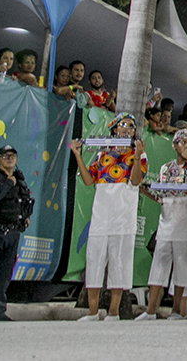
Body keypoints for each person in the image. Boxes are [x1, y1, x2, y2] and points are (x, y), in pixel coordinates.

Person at [69, 112, 147, 321]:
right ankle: (93, 312)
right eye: (124, 125)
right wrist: (77, 155)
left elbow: (136, 180)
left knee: (119, 264)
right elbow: (88, 180)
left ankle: (113, 313)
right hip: (101, 216)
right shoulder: (102, 154)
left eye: (131, 126)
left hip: (124, 217)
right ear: (114, 129)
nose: (128, 129)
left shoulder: (138, 153)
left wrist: (138, 157)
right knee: (94, 261)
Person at [135, 128, 187, 321]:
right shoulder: (166, 168)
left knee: (183, 268)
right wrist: (146, 191)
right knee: (159, 265)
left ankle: (178, 310)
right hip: (167, 222)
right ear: (174, 145)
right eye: (182, 141)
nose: (186, 145)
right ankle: (150, 310)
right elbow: (161, 197)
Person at [0, 145, 32, 321]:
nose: (9, 159)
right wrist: (8, 183)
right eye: (5, 155)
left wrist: (25, 216)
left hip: (13, 233)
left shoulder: (20, 179)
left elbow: (25, 200)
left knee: (4, 275)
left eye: (13, 156)